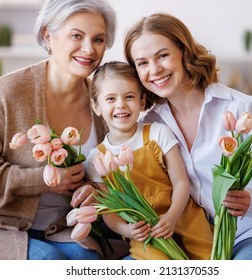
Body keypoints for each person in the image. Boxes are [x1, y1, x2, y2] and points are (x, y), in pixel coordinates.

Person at [124, 13, 252, 260]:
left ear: (185, 52)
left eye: (163, 55)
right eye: (142, 63)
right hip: (195, 241)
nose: (154, 70)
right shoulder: (150, 125)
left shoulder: (241, 108)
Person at [0, 0, 117, 260]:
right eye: (76, 35)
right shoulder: (9, 92)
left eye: (98, 39)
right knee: (49, 262)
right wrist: (42, 179)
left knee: (89, 261)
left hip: (62, 228)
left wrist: (94, 191)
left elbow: (105, 174)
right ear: (48, 36)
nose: (89, 49)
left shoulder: (101, 101)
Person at [86, 61, 213, 260]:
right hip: (145, 232)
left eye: (129, 97)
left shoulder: (157, 133)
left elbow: (181, 182)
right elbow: (109, 210)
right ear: (96, 106)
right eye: (110, 99)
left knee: (209, 260)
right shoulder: (97, 158)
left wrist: (171, 217)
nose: (121, 104)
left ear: (142, 102)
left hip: (182, 217)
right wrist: (126, 230)